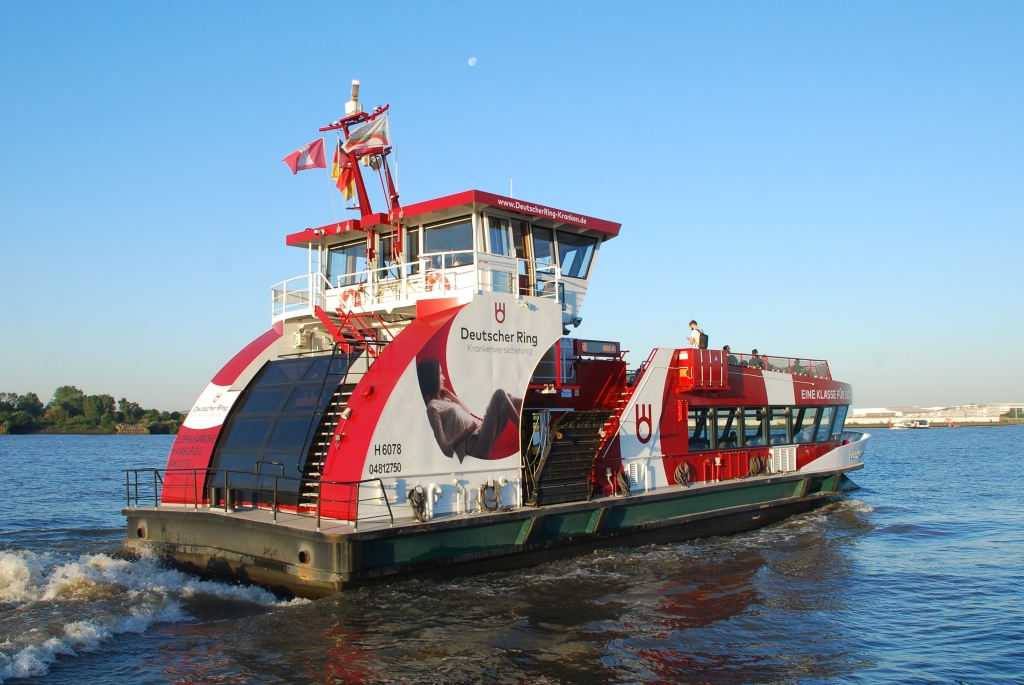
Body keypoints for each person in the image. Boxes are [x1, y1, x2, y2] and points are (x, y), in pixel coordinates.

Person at [416, 358, 521, 463]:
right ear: (432, 378)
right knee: (500, 395)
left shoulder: (445, 400)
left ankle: (533, 406)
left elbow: (467, 411)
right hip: (475, 444)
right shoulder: (433, 408)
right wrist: (468, 430)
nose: (443, 378)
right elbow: (445, 448)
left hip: (481, 432)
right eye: (439, 374)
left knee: (507, 398)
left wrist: (451, 396)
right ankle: (522, 427)